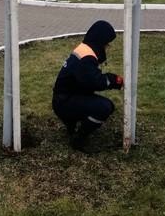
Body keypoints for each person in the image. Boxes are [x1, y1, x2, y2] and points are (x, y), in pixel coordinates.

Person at [52, 20, 124, 151]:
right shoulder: (87, 57)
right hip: (64, 102)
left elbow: (85, 83)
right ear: (100, 41)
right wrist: (113, 80)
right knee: (105, 107)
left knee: (90, 98)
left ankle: (71, 126)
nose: (108, 47)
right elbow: (95, 82)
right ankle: (78, 140)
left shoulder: (84, 49)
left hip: (63, 98)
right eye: (107, 44)